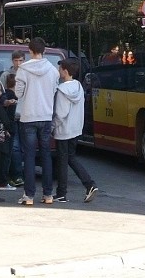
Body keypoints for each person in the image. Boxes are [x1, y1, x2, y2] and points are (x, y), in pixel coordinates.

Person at [15, 37, 59, 206]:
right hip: (46, 116)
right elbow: (54, 90)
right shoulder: (53, 70)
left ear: (30, 51)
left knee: (30, 156)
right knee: (46, 155)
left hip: (28, 116)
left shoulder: (23, 69)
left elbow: (19, 93)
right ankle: (48, 194)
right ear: (44, 51)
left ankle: (29, 195)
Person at [52, 58, 98, 204]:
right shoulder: (78, 87)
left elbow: (60, 113)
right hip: (75, 129)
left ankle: (63, 193)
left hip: (63, 130)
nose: (58, 72)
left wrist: (52, 127)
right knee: (71, 158)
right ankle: (88, 184)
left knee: (62, 162)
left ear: (65, 71)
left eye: (60, 69)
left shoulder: (61, 91)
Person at [0, 50, 25, 187]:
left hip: (25, 116)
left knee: (21, 147)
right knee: (13, 147)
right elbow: (2, 94)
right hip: (11, 117)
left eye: (21, 60)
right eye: (16, 60)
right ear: (12, 61)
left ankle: (18, 174)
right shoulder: (6, 75)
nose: (18, 63)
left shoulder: (27, 73)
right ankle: (16, 175)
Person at [0, 73, 19, 191]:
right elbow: (11, 115)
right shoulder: (12, 97)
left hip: (4, 128)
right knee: (6, 156)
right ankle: (2, 182)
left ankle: (1, 180)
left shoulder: (5, 94)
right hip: (9, 129)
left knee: (4, 155)